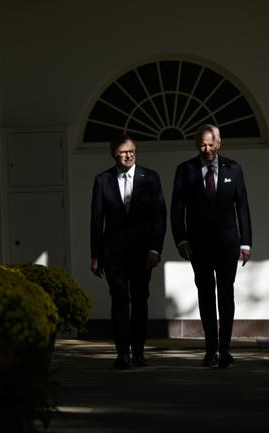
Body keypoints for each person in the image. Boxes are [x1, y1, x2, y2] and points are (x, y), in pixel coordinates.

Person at [170, 124, 252, 368]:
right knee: (205, 296)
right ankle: (210, 349)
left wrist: (246, 242)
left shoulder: (234, 169)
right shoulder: (185, 170)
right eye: (202, 145)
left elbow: (243, 207)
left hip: (228, 245)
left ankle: (225, 349)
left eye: (210, 144)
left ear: (219, 143)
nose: (206, 149)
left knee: (226, 296)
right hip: (198, 246)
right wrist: (181, 239)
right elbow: (177, 209)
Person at [90, 134, 167, 369]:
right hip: (114, 253)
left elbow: (159, 217)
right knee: (119, 301)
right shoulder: (103, 180)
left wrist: (155, 249)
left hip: (143, 253)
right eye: (124, 151)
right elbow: (96, 219)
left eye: (132, 150)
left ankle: (139, 352)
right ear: (114, 153)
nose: (129, 155)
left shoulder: (150, 178)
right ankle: (122, 353)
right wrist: (96, 255)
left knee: (140, 301)